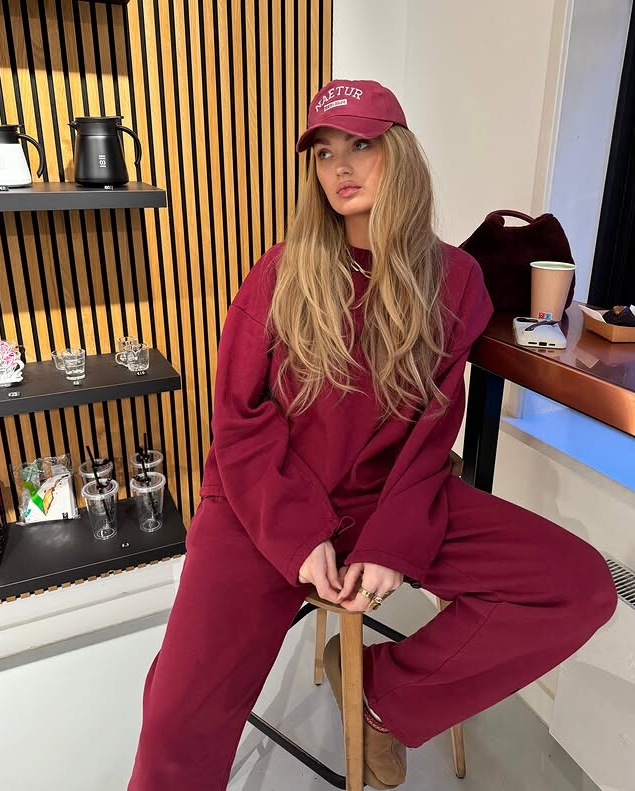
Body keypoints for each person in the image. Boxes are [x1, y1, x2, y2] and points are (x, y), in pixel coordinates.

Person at [127, 79, 617, 790]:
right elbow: (237, 421)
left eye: (361, 144)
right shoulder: (281, 273)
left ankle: (383, 698)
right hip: (262, 503)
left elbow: (431, 433)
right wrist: (298, 535)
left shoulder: (457, 281)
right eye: (325, 153)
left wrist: (391, 543)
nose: (341, 168)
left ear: (401, 153)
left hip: (389, 499)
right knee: (178, 716)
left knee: (579, 586)